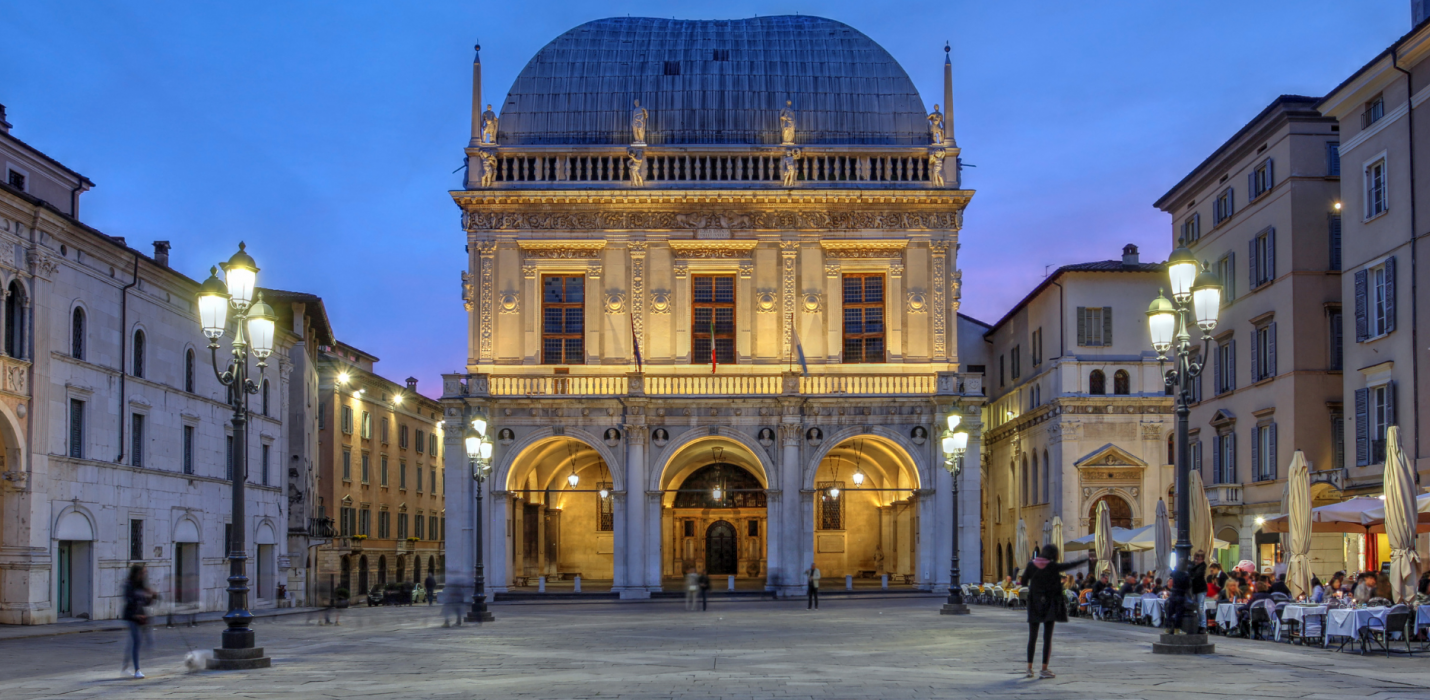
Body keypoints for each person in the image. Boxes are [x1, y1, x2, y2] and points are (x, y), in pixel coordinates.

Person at [1019, 545, 1087, 679]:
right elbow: (1068, 565)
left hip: (1034, 603)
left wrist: (1035, 588)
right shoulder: (1052, 566)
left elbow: (1023, 582)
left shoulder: (1031, 565)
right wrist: (1083, 560)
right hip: (1049, 604)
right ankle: (1044, 669)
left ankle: (1029, 668)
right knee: (1047, 638)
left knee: (1032, 637)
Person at [121, 564, 153, 679]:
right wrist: (136, 614)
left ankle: (125, 667)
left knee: (133, 642)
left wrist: (151, 596)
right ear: (136, 573)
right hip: (132, 616)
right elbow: (129, 601)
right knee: (137, 641)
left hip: (141, 616)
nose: (144, 574)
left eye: (145, 572)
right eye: (142, 572)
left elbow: (146, 603)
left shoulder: (142, 585)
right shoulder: (129, 585)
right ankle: (137, 670)